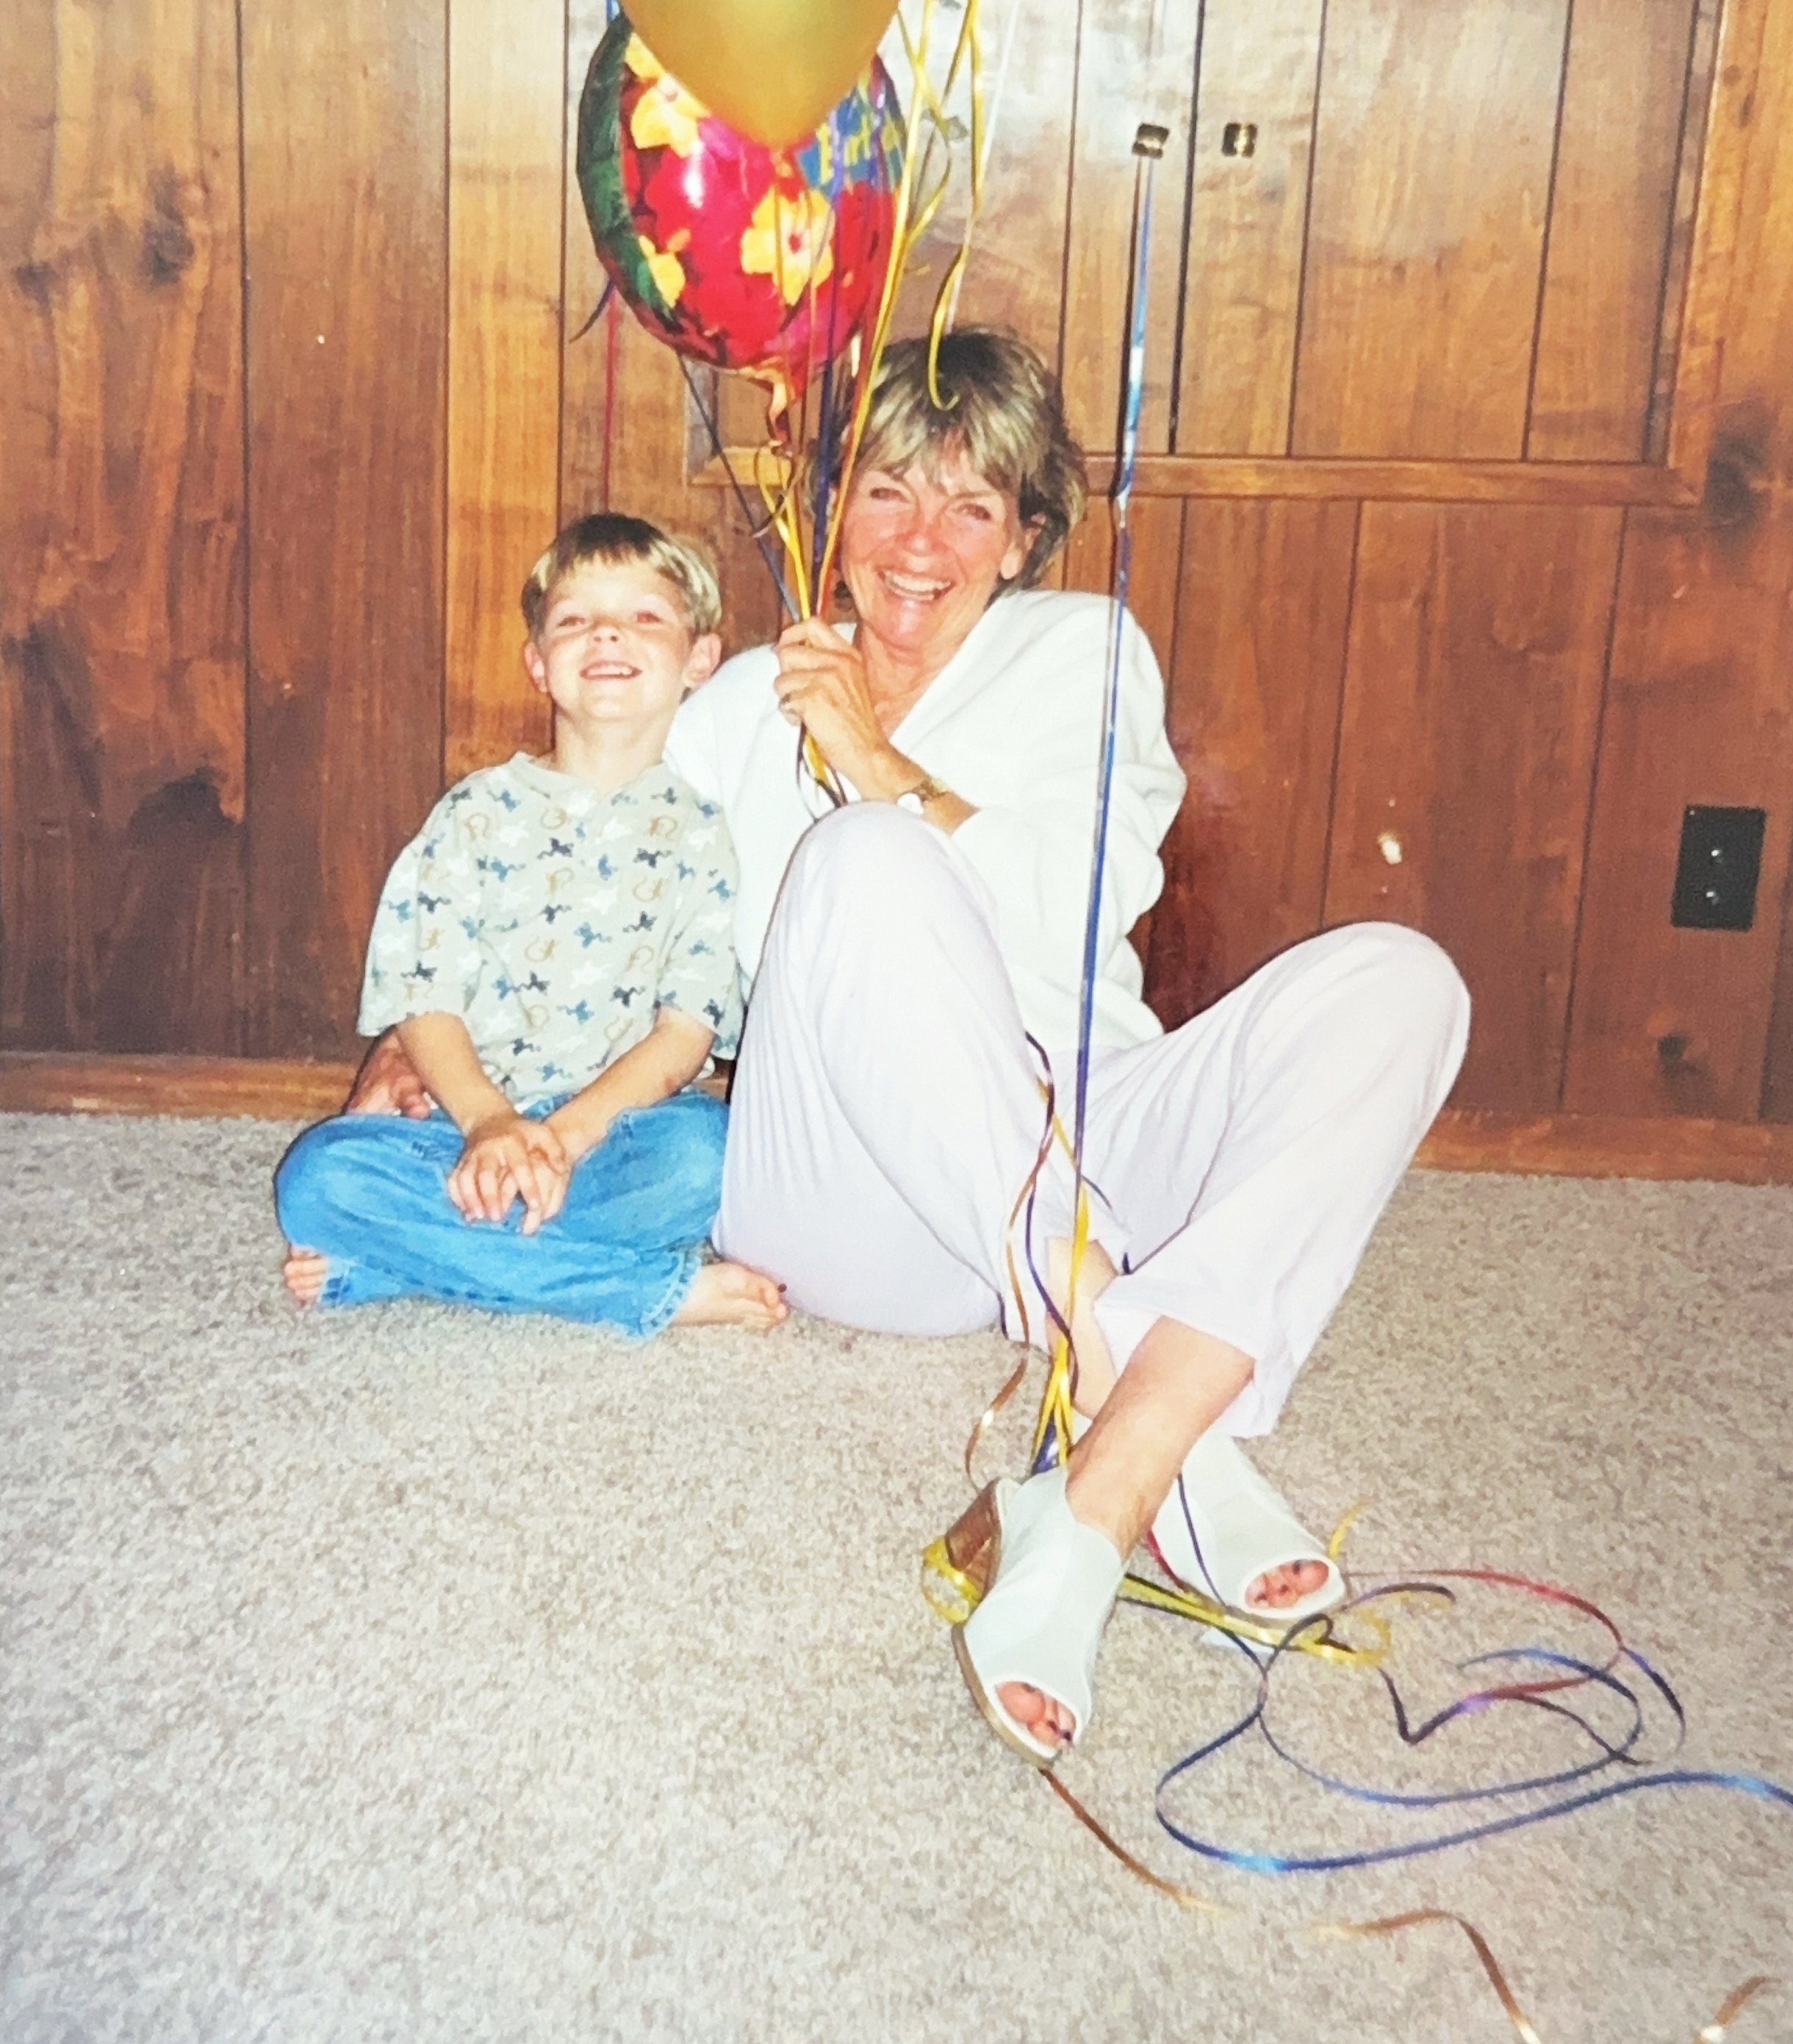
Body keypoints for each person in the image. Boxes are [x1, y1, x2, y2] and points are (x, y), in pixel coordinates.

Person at [354, 332, 1467, 1762]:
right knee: (864, 864)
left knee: (1399, 984)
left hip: (1092, 1112)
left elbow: (1064, 922)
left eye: (971, 506)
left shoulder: (1081, 656)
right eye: (887, 493)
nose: (919, 542)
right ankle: (1157, 1405)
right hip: (853, 1192)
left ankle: (1091, 1502)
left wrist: (879, 767)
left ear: (1021, 541)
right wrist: (420, 1051)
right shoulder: (740, 699)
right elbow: (576, 881)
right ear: (834, 514)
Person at [276, 513, 785, 1337]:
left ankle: (406, 1265)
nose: (608, 633)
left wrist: (564, 1138)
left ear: (699, 659)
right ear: (538, 664)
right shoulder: (474, 814)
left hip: (615, 1134)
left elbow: (685, 1033)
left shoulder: (702, 835)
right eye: (576, 619)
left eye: (644, 617)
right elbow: (426, 994)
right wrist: (489, 1122)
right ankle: (633, 1293)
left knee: (712, 1156)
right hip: (459, 1121)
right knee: (318, 1179)